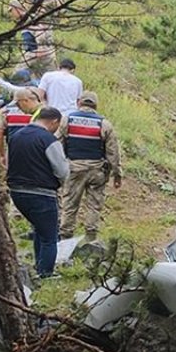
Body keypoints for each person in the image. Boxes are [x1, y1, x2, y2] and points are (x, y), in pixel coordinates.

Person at [7, 107, 69, 278]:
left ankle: (38, 266)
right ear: (54, 121)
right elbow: (62, 169)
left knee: (39, 230)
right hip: (42, 192)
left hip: (17, 192)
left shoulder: (16, 136)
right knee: (49, 236)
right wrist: (60, 183)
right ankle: (46, 273)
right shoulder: (48, 139)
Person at [59, 91, 120, 243]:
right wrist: (117, 174)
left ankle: (65, 236)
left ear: (79, 102)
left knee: (70, 203)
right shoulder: (104, 124)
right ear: (96, 105)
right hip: (97, 170)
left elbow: (58, 144)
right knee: (94, 204)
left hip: (73, 168)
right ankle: (91, 237)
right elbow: (113, 153)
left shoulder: (67, 120)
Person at [0, 87, 41, 171]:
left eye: (18, 103)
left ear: (25, 101)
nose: (18, 106)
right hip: (37, 152)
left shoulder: (6, 110)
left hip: (14, 150)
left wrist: (2, 155)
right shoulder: (47, 111)